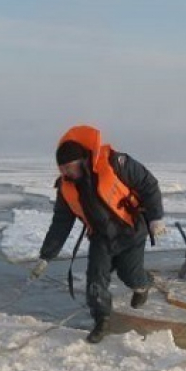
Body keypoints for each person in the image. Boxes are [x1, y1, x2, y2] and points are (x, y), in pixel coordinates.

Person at [32, 124, 164, 344]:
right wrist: (46, 255)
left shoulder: (116, 163)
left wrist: (156, 217)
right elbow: (60, 224)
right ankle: (101, 320)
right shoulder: (66, 189)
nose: (66, 173)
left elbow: (148, 184)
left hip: (130, 230)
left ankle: (144, 283)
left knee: (130, 276)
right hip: (101, 238)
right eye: (62, 169)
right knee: (95, 281)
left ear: (82, 161)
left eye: (69, 168)